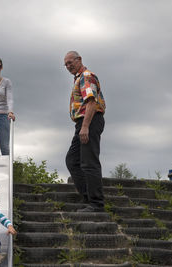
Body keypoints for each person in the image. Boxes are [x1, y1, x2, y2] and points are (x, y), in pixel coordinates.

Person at [64, 51, 106, 212]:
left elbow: (91, 103)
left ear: (79, 60)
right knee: (73, 160)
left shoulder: (86, 76)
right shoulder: (79, 79)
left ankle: (96, 204)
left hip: (90, 120)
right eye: (66, 64)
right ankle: (89, 199)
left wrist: (85, 126)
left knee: (89, 162)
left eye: (70, 62)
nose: (68, 66)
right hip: (83, 123)